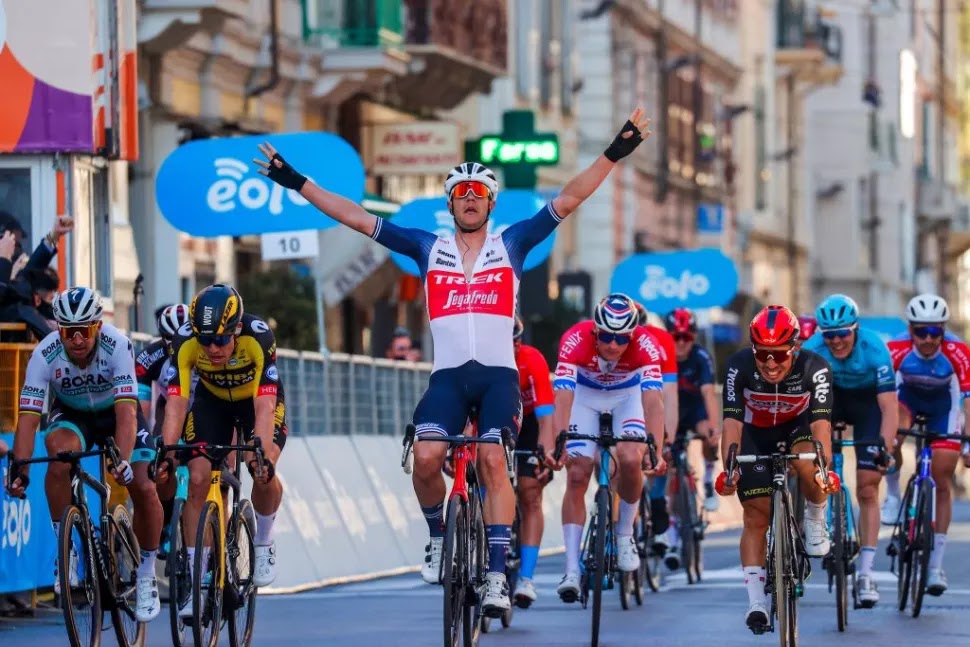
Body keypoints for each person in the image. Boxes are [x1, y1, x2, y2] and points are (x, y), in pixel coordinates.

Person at [256, 108, 652, 616]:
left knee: (492, 462)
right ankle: (439, 536)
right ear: (450, 203)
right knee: (424, 459)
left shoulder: (513, 243)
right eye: (461, 195)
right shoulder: (427, 246)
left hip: (497, 379)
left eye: (478, 195)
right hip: (446, 377)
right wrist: (296, 181)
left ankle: (494, 578)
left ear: (489, 202)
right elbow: (353, 216)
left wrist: (615, 152)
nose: (470, 201)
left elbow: (569, 198)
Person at [5, 287, 163, 621]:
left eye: (84, 331)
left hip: (115, 414)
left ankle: (147, 575)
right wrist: (19, 469)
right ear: (58, 330)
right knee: (57, 454)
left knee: (144, 485)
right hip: (73, 415)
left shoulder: (117, 345)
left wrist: (121, 460)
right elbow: (29, 417)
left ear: (97, 327)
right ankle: (69, 548)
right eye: (68, 332)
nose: (76, 339)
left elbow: (127, 416)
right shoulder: (45, 353)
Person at [154, 284, 287, 617]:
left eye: (221, 340)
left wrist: (259, 448)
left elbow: (265, 403)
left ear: (237, 329)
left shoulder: (259, 337)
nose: (212, 348)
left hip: (255, 400)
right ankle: (199, 583)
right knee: (197, 476)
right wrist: (168, 451)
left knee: (261, 466)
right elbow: (177, 401)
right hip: (213, 403)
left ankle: (264, 540)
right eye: (205, 340)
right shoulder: (185, 342)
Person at [715, 305, 839, 632]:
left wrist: (824, 470)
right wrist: (730, 468)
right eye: (763, 353)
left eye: (780, 354)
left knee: (810, 461)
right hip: (755, 434)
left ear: (795, 348)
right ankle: (757, 603)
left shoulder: (816, 367)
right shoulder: (739, 366)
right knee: (755, 516)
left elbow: (821, 429)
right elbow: (730, 425)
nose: (771, 363)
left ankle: (814, 517)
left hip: (797, 429)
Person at [551, 293, 667, 602]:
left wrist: (656, 447)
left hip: (625, 398)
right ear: (594, 330)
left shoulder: (645, 345)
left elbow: (653, 403)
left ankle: (625, 532)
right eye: (605, 336)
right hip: (584, 398)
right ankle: (572, 568)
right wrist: (559, 440)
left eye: (621, 339)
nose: (613, 345)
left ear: (633, 335)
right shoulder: (574, 339)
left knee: (631, 457)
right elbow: (562, 398)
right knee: (576, 472)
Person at [802, 294, 897, 606]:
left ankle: (867, 574)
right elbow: (803, 404)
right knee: (818, 462)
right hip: (830, 401)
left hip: (867, 405)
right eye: (829, 335)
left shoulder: (875, 349)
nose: (836, 341)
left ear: (855, 329)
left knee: (868, 488)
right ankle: (822, 522)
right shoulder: (811, 350)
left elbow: (889, 407)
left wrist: (885, 446)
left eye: (843, 333)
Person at [885, 293, 970, 596]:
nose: (929, 339)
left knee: (942, 475)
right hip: (905, 402)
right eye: (922, 331)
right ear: (910, 330)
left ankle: (935, 566)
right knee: (892, 436)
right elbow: (885, 396)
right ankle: (893, 496)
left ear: (943, 331)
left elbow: (968, 401)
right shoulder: (895, 349)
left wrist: (968, 444)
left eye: (936, 332)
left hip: (941, 409)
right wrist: (888, 434)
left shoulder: (957, 350)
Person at [135, 304, 194, 556]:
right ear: (162, 339)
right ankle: (168, 520)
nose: (178, 343)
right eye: (171, 340)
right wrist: (148, 440)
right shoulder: (150, 357)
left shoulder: (206, 350)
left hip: (204, 405)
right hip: (169, 403)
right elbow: (141, 409)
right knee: (162, 455)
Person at [632, 302, 681, 566]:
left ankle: (657, 500)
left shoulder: (660, 341)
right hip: (621, 400)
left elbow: (668, 395)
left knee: (661, 452)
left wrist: (668, 438)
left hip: (652, 401)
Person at [510, 316, 554, 607]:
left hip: (528, 426)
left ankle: (525, 577)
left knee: (530, 494)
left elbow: (546, 416)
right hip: (496, 420)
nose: (512, 349)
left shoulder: (531, 359)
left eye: (515, 343)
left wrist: (546, 454)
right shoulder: (481, 357)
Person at [665, 308, 720, 513]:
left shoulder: (701, 356)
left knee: (709, 432)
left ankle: (707, 481)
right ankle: (669, 522)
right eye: (676, 336)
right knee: (666, 462)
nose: (681, 342)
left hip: (695, 410)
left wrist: (714, 428)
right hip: (669, 412)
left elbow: (708, 394)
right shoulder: (661, 355)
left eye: (686, 337)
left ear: (694, 337)